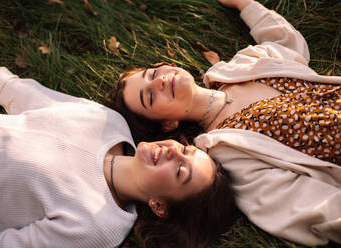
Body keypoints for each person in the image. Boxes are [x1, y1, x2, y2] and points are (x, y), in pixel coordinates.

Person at [108, 0, 341, 246]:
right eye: (151, 96)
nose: (160, 83)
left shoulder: (237, 68)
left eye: (152, 74)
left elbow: (288, 45)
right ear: (168, 124)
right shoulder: (229, 153)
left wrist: (245, 5)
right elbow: (306, 207)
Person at [0, 58, 235, 248]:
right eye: (186, 149)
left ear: (159, 206)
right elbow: (27, 96)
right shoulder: (109, 122)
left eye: (180, 171)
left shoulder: (98, 226)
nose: (173, 152)